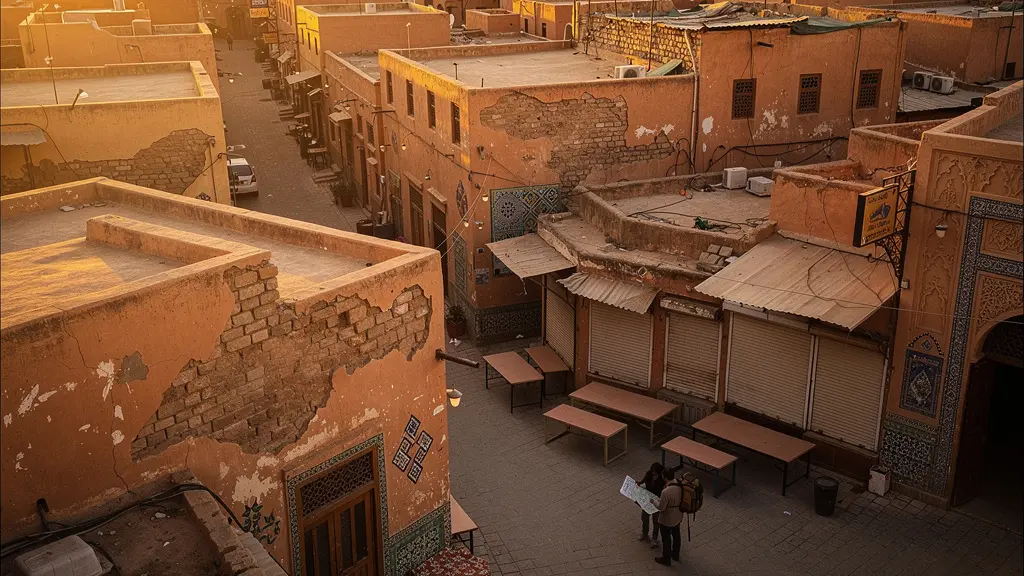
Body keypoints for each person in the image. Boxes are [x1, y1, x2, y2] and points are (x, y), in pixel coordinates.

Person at [651, 467, 683, 567]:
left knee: (666, 539)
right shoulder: (679, 483)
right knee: (676, 535)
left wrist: (654, 501)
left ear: (664, 477)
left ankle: (666, 559)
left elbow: (661, 507)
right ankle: (676, 554)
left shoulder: (666, 492)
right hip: (678, 515)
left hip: (667, 519)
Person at [636, 462, 665, 548]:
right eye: (652, 471)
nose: (653, 473)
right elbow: (642, 481)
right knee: (644, 517)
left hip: (656, 501)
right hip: (648, 499)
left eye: (655, 472)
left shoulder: (662, 480)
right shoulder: (648, 474)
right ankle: (644, 533)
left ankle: (654, 538)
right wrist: (638, 484)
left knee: (656, 521)